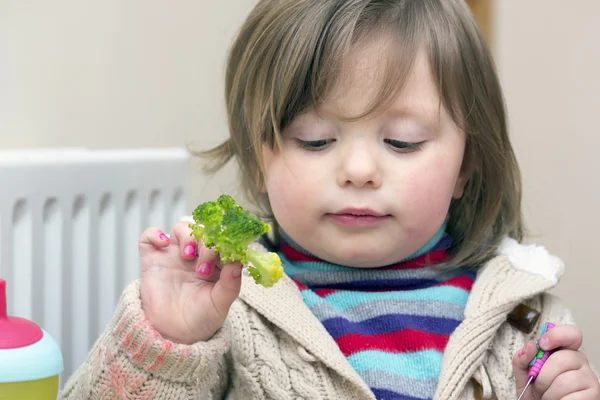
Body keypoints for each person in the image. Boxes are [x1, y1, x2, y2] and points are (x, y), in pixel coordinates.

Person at [61, 0, 600, 399]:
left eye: (402, 142)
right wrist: (164, 343)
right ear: (259, 157)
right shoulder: (223, 309)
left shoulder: (526, 319)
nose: (359, 170)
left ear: (467, 164)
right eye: (315, 139)